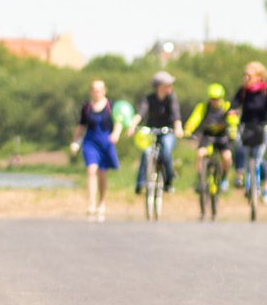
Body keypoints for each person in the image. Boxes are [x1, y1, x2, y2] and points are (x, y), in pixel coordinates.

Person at [69, 79, 123, 222]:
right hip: (90, 141)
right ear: (91, 91)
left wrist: (116, 134)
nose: (96, 92)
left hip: (106, 141)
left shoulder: (111, 106)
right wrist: (75, 141)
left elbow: (119, 122)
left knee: (102, 174)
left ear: (104, 91)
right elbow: (81, 125)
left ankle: (102, 202)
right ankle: (91, 204)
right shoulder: (86, 107)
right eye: (94, 89)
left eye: (99, 89)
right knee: (91, 170)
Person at [228, 61, 267, 204]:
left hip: (263, 126)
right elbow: (234, 104)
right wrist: (232, 111)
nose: (245, 78)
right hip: (246, 125)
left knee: (258, 156)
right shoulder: (243, 90)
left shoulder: (266, 90)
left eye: (249, 76)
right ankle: (239, 174)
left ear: (259, 77)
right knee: (239, 146)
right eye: (244, 75)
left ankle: (265, 185)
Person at [128, 71, 183, 195]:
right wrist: (133, 125)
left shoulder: (171, 98)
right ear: (159, 86)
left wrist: (178, 128)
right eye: (168, 85)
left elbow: (176, 114)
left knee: (166, 150)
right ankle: (140, 183)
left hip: (167, 131)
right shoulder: (149, 99)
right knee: (146, 152)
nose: (170, 87)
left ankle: (168, 182)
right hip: (151, 130)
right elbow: (141, 113)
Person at [187, 83, 238, 192]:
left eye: (217, 99)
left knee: (227, 157)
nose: (214, 101)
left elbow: (233, 121)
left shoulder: (227, 107)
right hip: (208, 136)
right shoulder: (203, 107)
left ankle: (224, 178)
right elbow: (195, 119)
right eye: (212, 98)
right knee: (200, 153)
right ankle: (200, 180)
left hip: (222, 136)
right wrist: (187, 130)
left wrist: (233, 131)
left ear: (221, 98)